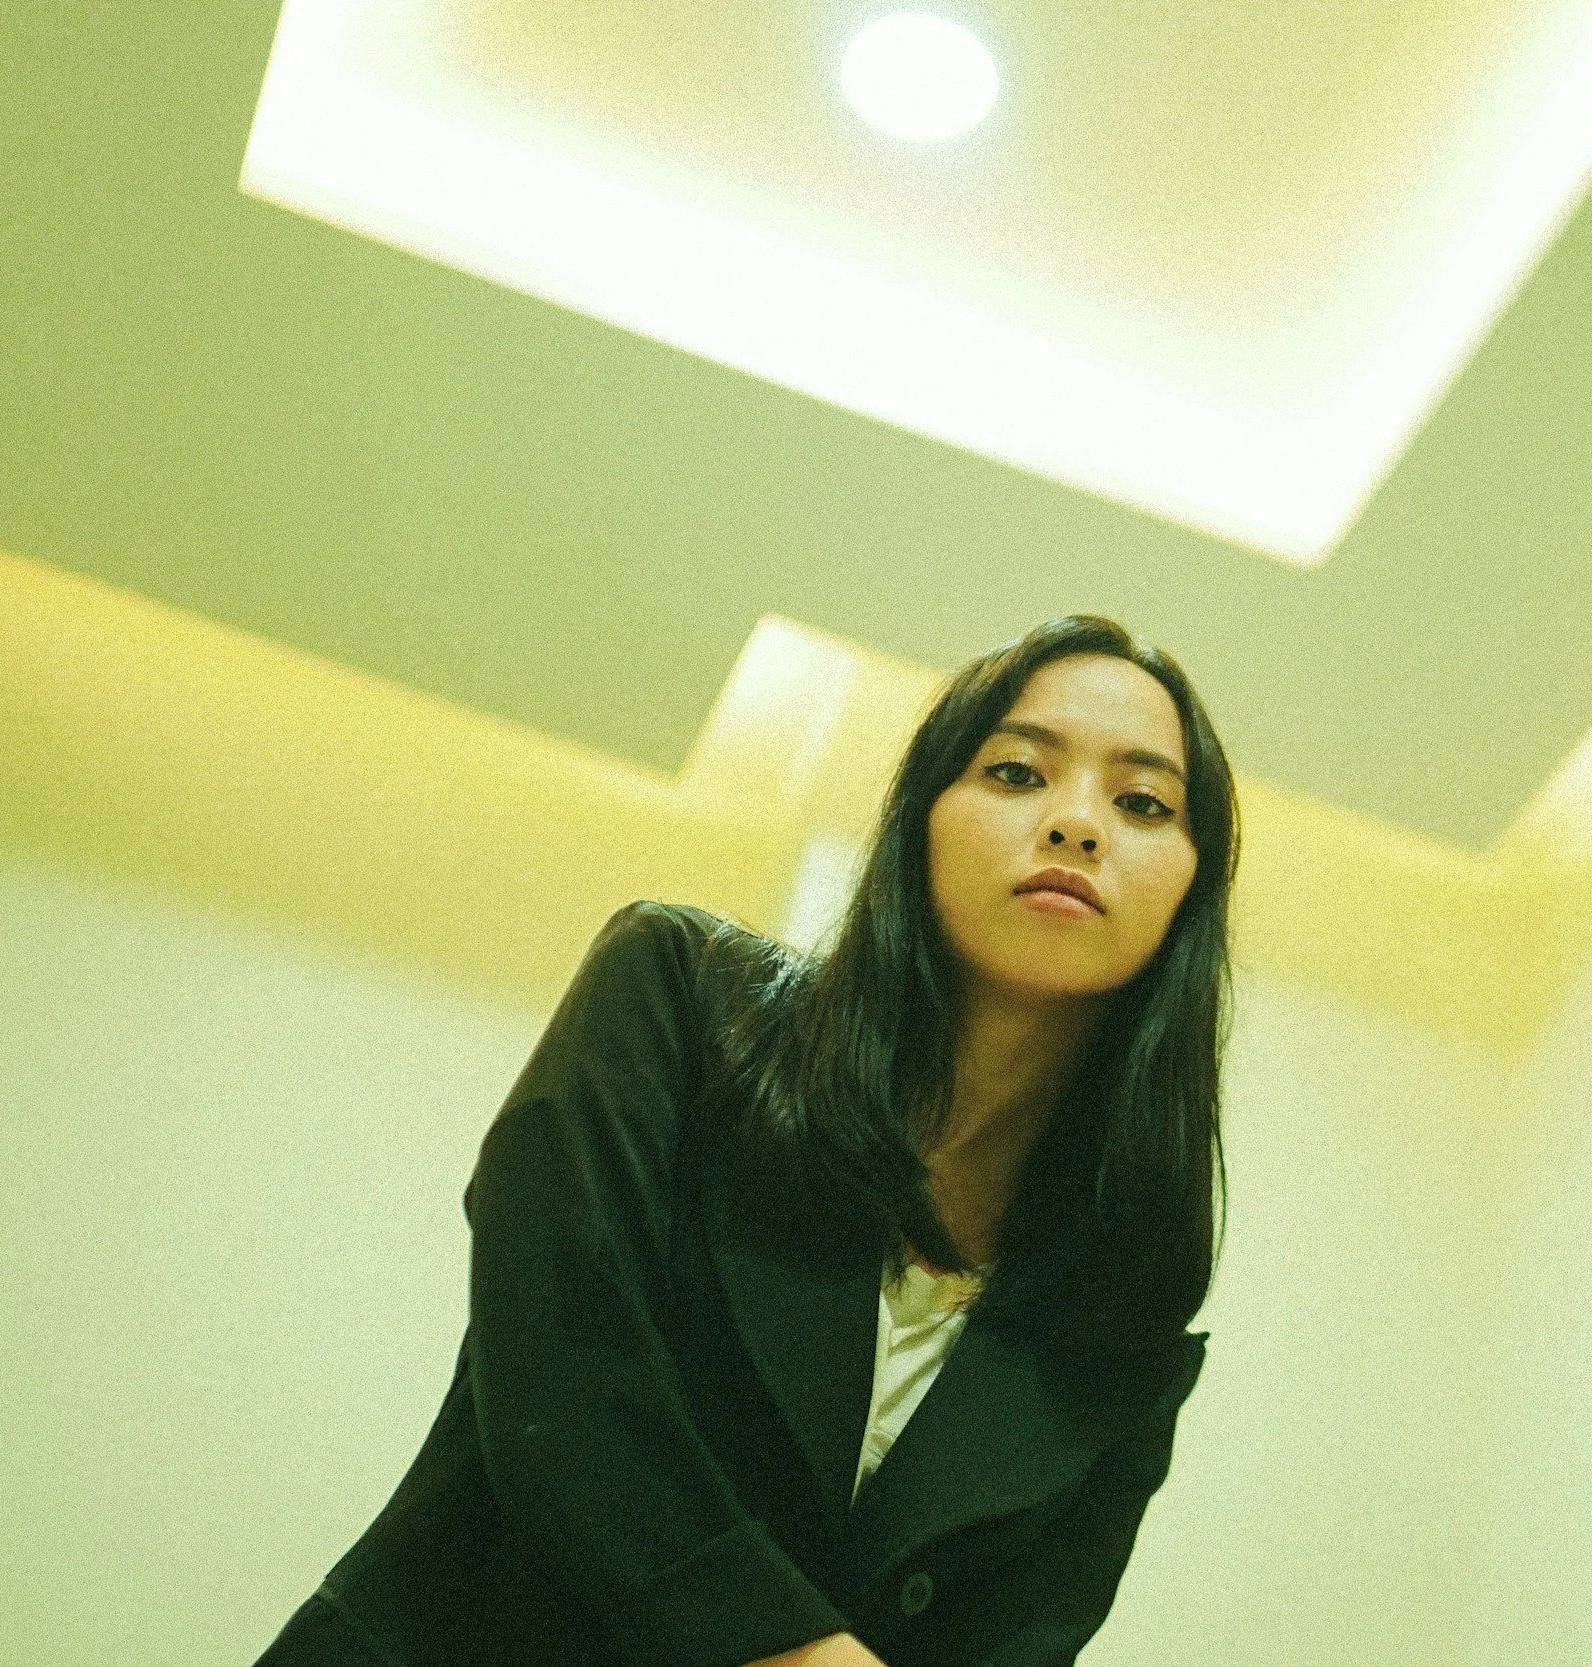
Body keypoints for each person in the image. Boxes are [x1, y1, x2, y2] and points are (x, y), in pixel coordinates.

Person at [253, 615, 1239, 1667]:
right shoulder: (676, 996)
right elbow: (563, 1378)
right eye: (1015, 772)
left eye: (1143, 802)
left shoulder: (1124, 1306)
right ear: (920, 819)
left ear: (1193, 889)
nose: (1077, 823)